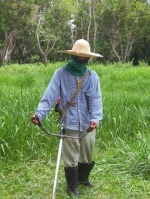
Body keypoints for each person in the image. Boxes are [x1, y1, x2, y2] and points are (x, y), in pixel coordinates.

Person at [30, 39, 103, 197]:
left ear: (88, 59)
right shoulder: (60, 74)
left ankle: (83, 179)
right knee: (70, 155)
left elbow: (96, 100)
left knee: (87, 151)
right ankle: (72, 186)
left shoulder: (92, 76)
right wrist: (39, 114)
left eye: (85, 59)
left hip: (87, 123)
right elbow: (49, 97)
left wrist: (95, 119)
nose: (82, 61)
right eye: (79, 58)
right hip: (68, 121)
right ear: (72, 57)